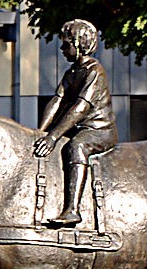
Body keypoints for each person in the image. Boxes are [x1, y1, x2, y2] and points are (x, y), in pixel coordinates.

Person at [33, 19, 117, 226]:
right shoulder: (71, 72)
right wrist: (40, 132)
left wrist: (54, 136)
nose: (62, 49)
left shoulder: (94, 71)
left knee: (76, 146)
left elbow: (81, 106)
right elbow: (57, 100)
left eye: (66, 44)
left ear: (79, 44)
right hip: (78, 128)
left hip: (98, 130)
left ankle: (73, 210)